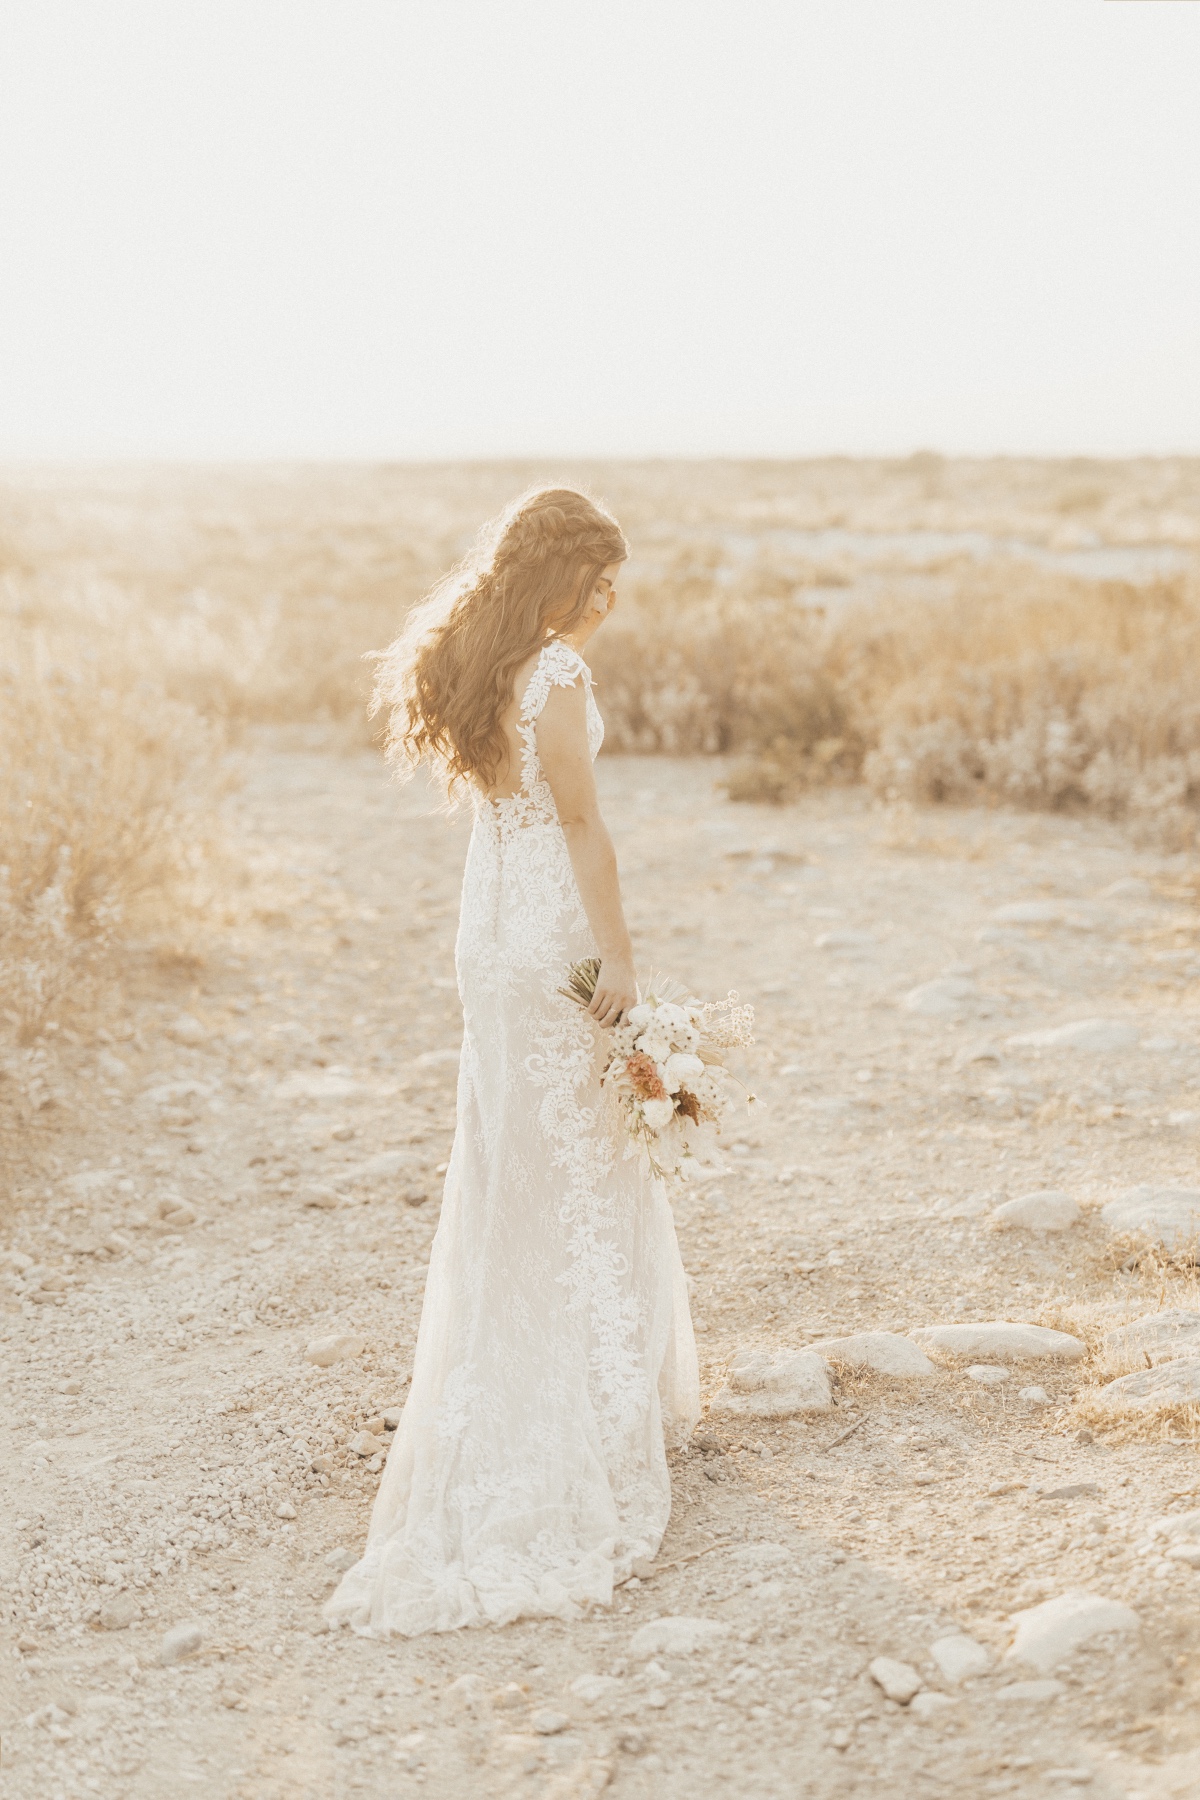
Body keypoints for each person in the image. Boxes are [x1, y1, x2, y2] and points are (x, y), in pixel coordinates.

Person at [325, 486, 700, 1637]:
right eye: (595, 581)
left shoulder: (477, 664)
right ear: (553, 578)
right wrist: (622, 960)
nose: (609, 601)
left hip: (485, 935)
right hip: (544, 940)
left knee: (513, 1158)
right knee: (577, 1157)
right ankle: (582, 1393)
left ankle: (541, 1365)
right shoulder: (556, 678)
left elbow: (507, 810)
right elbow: (581, 826)